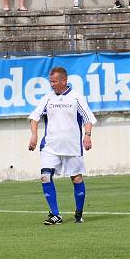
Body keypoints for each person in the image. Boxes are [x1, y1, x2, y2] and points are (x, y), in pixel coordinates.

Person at [28, 67, 96, 226]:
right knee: (45, 176)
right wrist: (34, 135)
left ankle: (78, 213)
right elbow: (34, 118)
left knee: (76, 178)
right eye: (50, 81)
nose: (51, 84)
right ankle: (55, 215)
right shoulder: (47, 99)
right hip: (50, 146)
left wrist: (87, 136)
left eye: (54, 81)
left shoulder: (76, 98)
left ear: (64, 81)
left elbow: (88, 119)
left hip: (72, 146)